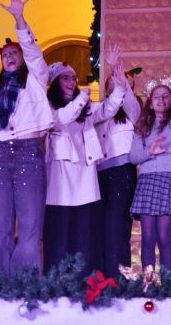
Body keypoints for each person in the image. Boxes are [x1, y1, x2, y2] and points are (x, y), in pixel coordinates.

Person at [0, 0, 53, 273]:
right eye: (5, 55)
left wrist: (19, 19)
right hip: (0, 154)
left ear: (22, 58)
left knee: (30, 225)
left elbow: (34, 53)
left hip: (28, 153)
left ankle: (26, 284)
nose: (9, 57)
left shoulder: (36, 79)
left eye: (14, 53)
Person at [43, 61, 126, 275]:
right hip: (61, 179)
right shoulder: (48, 106)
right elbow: (62, 119)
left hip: (85, 177)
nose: (71, 82)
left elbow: (108, 109)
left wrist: (119, 83)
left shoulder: (85, 108)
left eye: (73, 78)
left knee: (84, 235)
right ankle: (57, 280)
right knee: (60, 235)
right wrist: (81, 99)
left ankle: (85, 280)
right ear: (55, 82)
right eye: (65, 78)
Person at [128, 77, 171, 273]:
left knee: (164, 237)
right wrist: (150, 152)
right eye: (156, 96)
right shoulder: (142, 127)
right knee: (148, 237)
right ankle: (147, 283)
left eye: (165, 96)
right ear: (150, 101)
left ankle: (168, 284)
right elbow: (133, 157)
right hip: (148, 181)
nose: (161, 100)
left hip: (169, 180)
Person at [93, 44, 141, 276]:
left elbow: (128, 100)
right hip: (99, 175)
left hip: (122, 174)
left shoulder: (133, 111)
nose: (117, 86)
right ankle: (102, 278)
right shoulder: (100, 110)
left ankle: (118, 278)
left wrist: (116, 69)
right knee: (101, 227)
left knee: (117, 226)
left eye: (122, 83)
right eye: (112, 83)